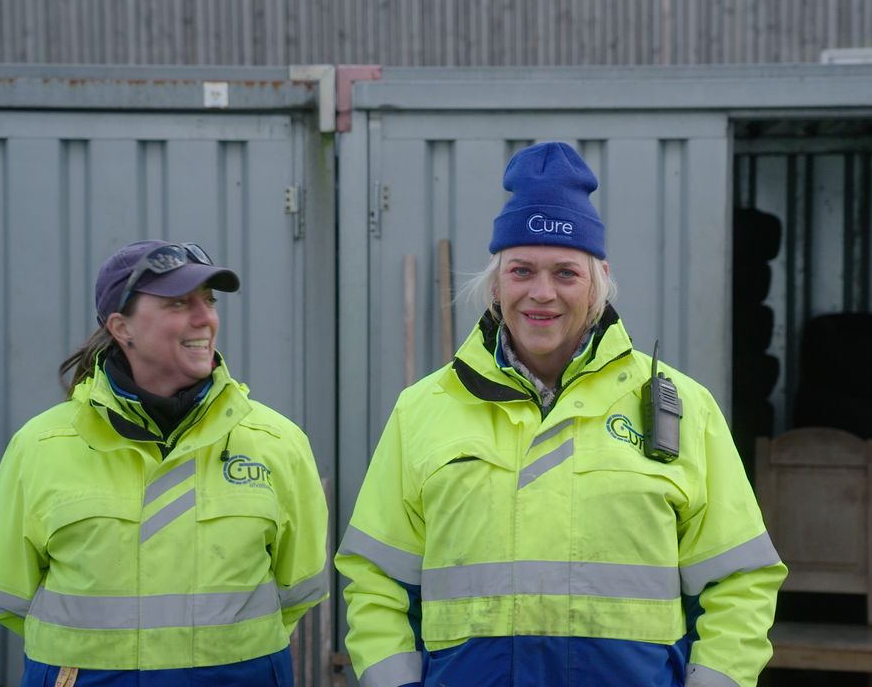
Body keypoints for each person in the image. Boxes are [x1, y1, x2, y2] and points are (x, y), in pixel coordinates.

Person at [335, 143, 786, 687]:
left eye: (565, 273)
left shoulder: (684, 407)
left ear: (598, 281)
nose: (541, 294)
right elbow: (377, 581)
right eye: (522, 270)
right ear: (496, 283)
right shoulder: (423, 410)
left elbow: (739, 581)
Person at [0, 240, 328, 686]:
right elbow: (13, 596)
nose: (205, 318)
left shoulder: (276, 443)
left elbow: (299, 588)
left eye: (209, 300)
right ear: (121, 326)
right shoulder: (41, 446)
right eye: (179, 303)